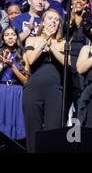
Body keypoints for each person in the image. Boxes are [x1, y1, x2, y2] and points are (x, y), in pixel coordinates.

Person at [22, 9, 65, 152]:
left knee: (53, 132)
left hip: (54, 91)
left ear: (59, 24)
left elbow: (67, 63)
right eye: (50, 18)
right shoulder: (32, 39)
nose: (53, 21)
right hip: (33, 89)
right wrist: (44, 40)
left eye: (56, 19)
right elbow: (31, 59)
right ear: (43, 22)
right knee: (32, 131)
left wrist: (51, 44)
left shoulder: (62, 42)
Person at [0, 26, 29, 141]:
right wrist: (2, 65)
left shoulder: (23, 54)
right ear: (3, 38)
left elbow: (26, 81)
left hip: (17, 92)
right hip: (2, 91)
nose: (10, 37)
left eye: (13, 34)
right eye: (7, 35)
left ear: (17, 37)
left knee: (16, 123)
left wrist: (12, 66)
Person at [66, 0, 92, 113]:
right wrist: (70, 21)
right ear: (71, 2)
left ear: (87, 3)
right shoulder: (65, 19)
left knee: (80, 101)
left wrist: (86, 18)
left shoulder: (90, 20)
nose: (79, 2)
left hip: (82, 64)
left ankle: (79, 131)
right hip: (67, 63)